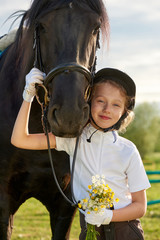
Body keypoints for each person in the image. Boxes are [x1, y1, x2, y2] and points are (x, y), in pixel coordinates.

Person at [11, 67, 150, 240]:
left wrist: (109, 216)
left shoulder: (128, 150)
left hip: (126, 231)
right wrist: (28, 96)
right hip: (90, 230)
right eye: (100, 101)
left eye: (116, 104)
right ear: (88, 101)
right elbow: (20, 139)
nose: (107, 109)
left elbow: (140, 207)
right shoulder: (73, 140)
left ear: (124, 112)